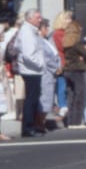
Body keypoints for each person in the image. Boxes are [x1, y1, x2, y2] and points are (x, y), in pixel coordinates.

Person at [16, 9, 46, 138]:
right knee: (30, 100)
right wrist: (40, 64)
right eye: (38, 18)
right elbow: (28, 54)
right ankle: (28, 128)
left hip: (34, 70)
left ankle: (32, 125)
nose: (40, 20)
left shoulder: (32, 31)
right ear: (29, 19)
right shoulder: (27, 32)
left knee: (33, 99)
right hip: (30, 70)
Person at [62, 20, 86, 129]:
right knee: (80, 95)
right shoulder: (76, 43)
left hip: (68, 71)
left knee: (71, 96)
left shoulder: (66, 43)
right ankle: (77, 122)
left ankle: (70, 121)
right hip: (78, 70)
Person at [35, 18, 63, 133]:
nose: (47, 29)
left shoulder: (47, 40)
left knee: (49, 98)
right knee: (44, 98)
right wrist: (55, 68)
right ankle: (39, 123)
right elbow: (46, 58)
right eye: (45, 27)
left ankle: (42, 122)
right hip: (46, 73)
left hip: (51, 74)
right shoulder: (39, 42)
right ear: (40, 29)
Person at [50, 10, 73, 123]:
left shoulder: (66, 33)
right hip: (62, 63)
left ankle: (64, 107)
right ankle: (62, 107)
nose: (70, 21)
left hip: (68, 63)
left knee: (64, 86)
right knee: (62, 86)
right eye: (68, 18)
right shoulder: (58, 33)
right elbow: (63, 48)